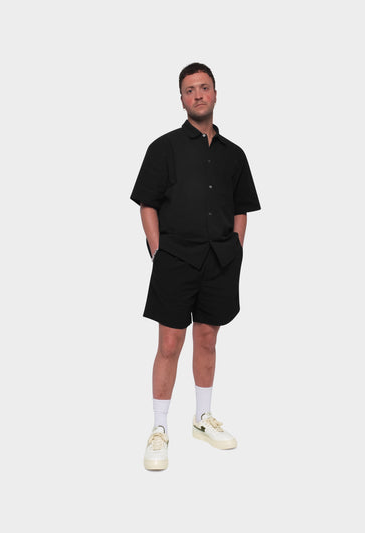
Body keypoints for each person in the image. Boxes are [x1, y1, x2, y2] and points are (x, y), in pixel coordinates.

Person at [130, 62, 261, 471]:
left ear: (215, 94)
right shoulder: (163, 148)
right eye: (190, 90)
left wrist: (236, 249)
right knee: (169, 345)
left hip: (220, 261)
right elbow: (147, 204)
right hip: (175, 261)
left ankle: (203, 418)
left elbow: (241, 208)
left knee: (207, 340)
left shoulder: (234, 155)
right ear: (182, 99)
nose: (198, 95)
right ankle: (159, 428)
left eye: (204, 87)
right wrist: (159, 252)